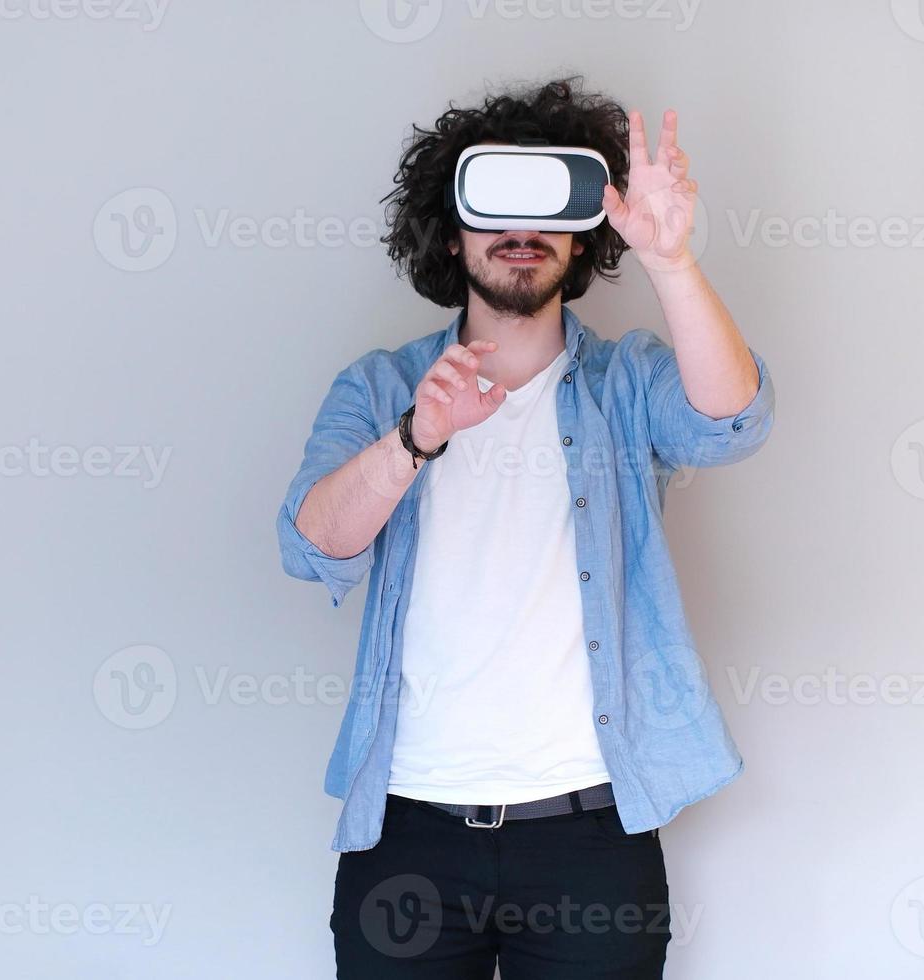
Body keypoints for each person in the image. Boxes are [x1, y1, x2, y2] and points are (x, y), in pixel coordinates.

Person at [275, 77, 776, 978]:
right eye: (493, 203)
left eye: (551, 206)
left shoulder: (626, 384)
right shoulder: (383, 390)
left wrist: (670, 261)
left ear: (583, 232)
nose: (521, 231)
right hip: (409, 833)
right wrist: (414, 439)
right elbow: (311, 543)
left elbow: (731, 419)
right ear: (451, 225)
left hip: (589, 836)